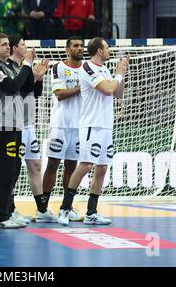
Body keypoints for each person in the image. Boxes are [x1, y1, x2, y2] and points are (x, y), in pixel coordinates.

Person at [57, 37, 129, 226]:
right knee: (86, 165)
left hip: (106, 125)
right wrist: (118, 74)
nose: (109, 50)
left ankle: (91, 212)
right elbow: (106, 89)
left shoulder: (104, 69)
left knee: (102, 168)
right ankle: (65, 209)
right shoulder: (87, 68)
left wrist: (122, 74)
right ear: (99, 51)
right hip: (91, 125)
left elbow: (117, 93)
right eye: (106, 47)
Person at [0, 32, 35, 228]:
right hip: (1, 125)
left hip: (15, 123)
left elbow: (27, 88)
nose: (8, 47)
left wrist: (30, 70)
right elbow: (13, 87)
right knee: (3, 171)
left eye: (8, 44)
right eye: (4, 45)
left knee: (13, 171)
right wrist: (27, 66)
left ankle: (7, 211)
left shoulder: (9, 67)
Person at [7, 34, 54, 223]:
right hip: (13, 126)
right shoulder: (8, 67)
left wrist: (39, 78)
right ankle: (10, 209)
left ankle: (42, 210)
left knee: (35, 166)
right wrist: (33, 74)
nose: (26, 47)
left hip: (29, 126)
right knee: (13, 170)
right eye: (23, 44)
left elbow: (35, 93)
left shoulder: (24, 67)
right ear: (14, 48)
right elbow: (18, 89)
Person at [41, 36, 85, 222]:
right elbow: (59, 95)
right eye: (75, 46)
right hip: (60, 124)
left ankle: (66, 208)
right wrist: (81, 88)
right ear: (68, 49)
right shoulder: (59, 67)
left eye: (81, 45)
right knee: (52, 165)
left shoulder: (87, 69)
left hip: (79, 126)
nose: (79, 48)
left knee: (71, 167)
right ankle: (42, 209)